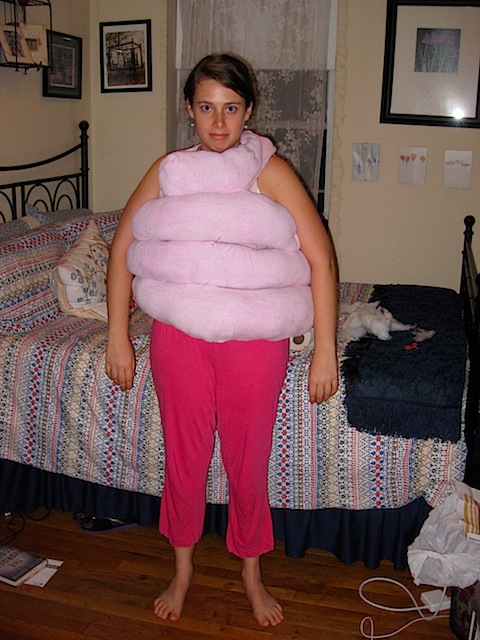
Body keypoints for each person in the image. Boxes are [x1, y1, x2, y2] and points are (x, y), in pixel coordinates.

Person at [105, 53, 338, 628]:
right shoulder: (169, 171)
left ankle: (251, 572)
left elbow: (320, 259)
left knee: (247, 460)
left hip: (254, 341)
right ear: (189, 109)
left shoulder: (270, 171)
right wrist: (117, 335)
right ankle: (182, 570)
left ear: (248, 111)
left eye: (231, 108)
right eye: (206, 107)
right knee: (183, 457)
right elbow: (122, 247)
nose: (218, 121)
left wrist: (325, 350)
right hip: (179, 337)